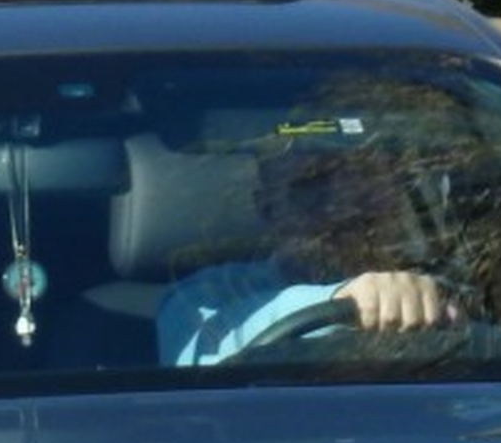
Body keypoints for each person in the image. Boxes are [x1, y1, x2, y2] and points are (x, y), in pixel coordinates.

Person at [158, 133, 460, 366]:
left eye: (366, 178)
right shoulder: (204, 295)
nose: (344, 204)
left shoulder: (448, 279)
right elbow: (201, 359)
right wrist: (345, 299)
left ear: (395, 194)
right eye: (313, 186)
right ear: (269, 210)